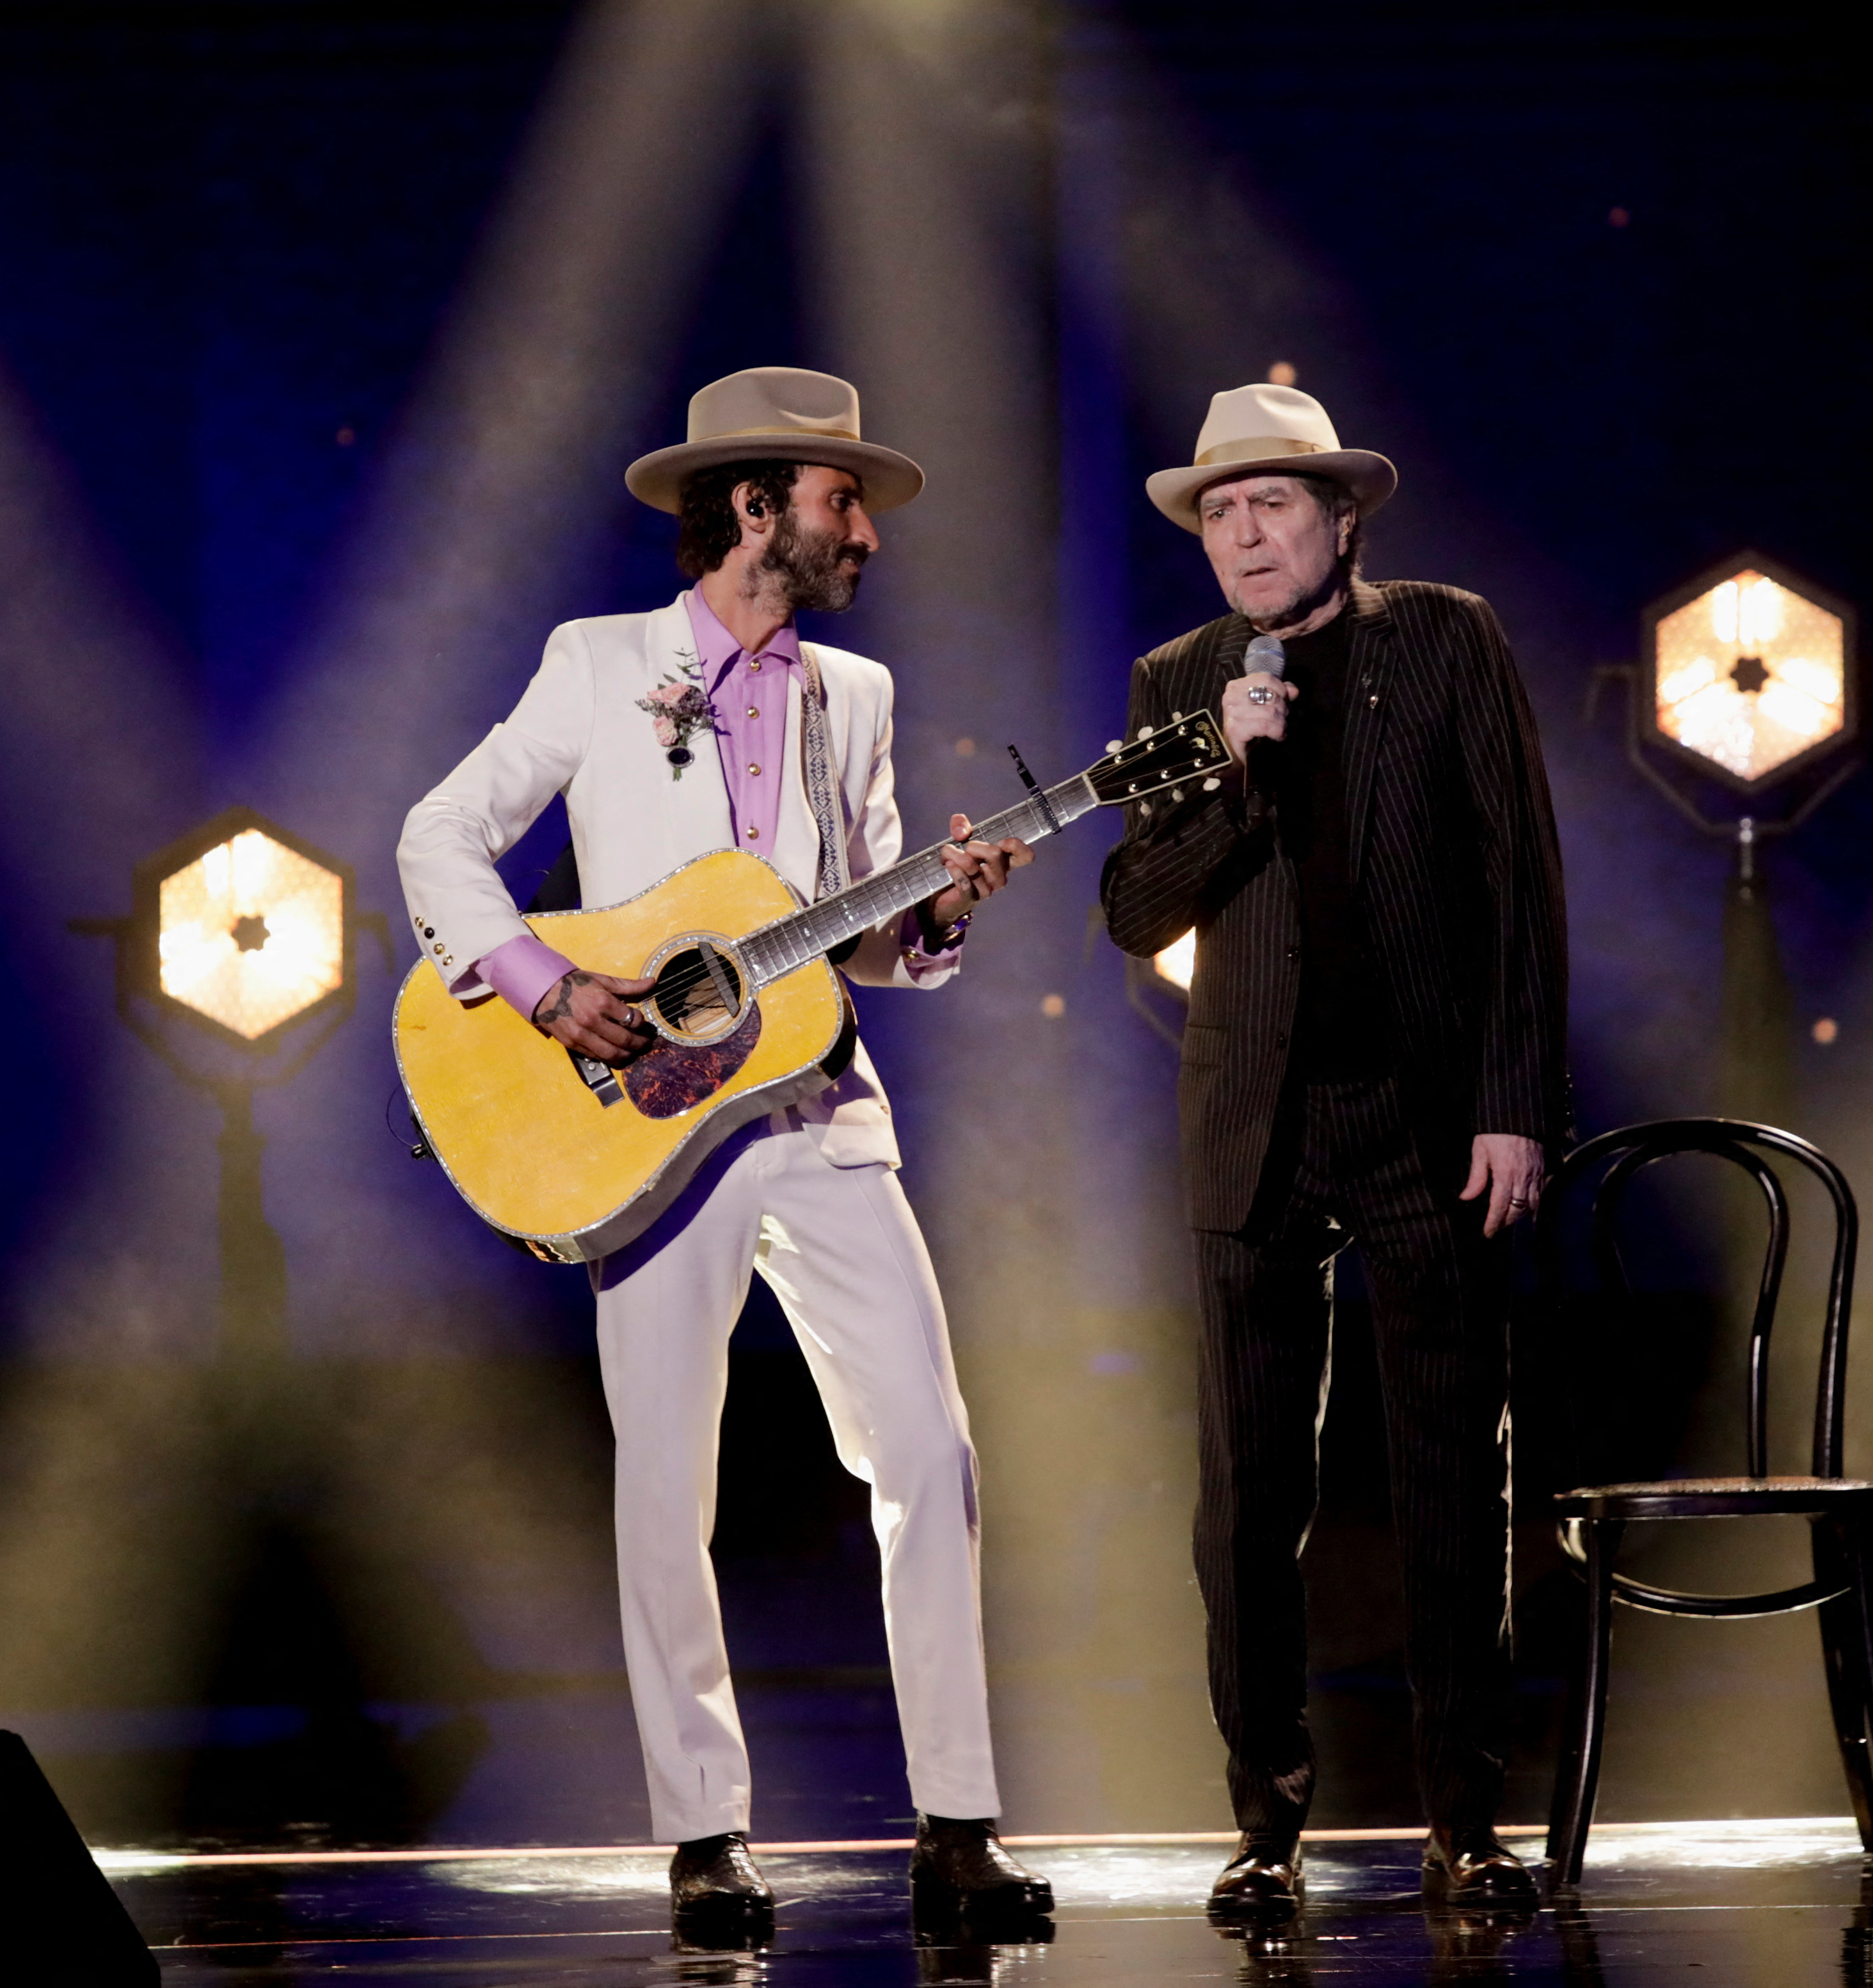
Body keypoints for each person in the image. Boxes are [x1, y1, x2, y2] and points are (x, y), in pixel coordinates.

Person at [397, 366, 1053, 1945]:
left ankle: (954, 1825)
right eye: (843, 504)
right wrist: (554, 988)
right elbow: (439, 838)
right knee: (664, 1483)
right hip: (647, 1131)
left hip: (822, 1113)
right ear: (753, 506)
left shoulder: (861, 693)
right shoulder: (597, 663)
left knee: (929, 1455)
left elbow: (857, 949)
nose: (866, 536)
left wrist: (941, 913)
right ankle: (704, 1836)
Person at [1098, 382, 1569, 1914]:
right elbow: (1132, 907)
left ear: (1338, 518)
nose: (1242, 532)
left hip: (1427, 1118)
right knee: (1242, 1492)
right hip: (1255, 1120)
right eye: (1219, 512)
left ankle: (1463, 1821)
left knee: (1450, 1470)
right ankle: (1263, 1825)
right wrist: (1230, 770)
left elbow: (1518, 881)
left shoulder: (1444, 635)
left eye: (1272, 505)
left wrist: (1511, 1099)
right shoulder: (1176, 677)